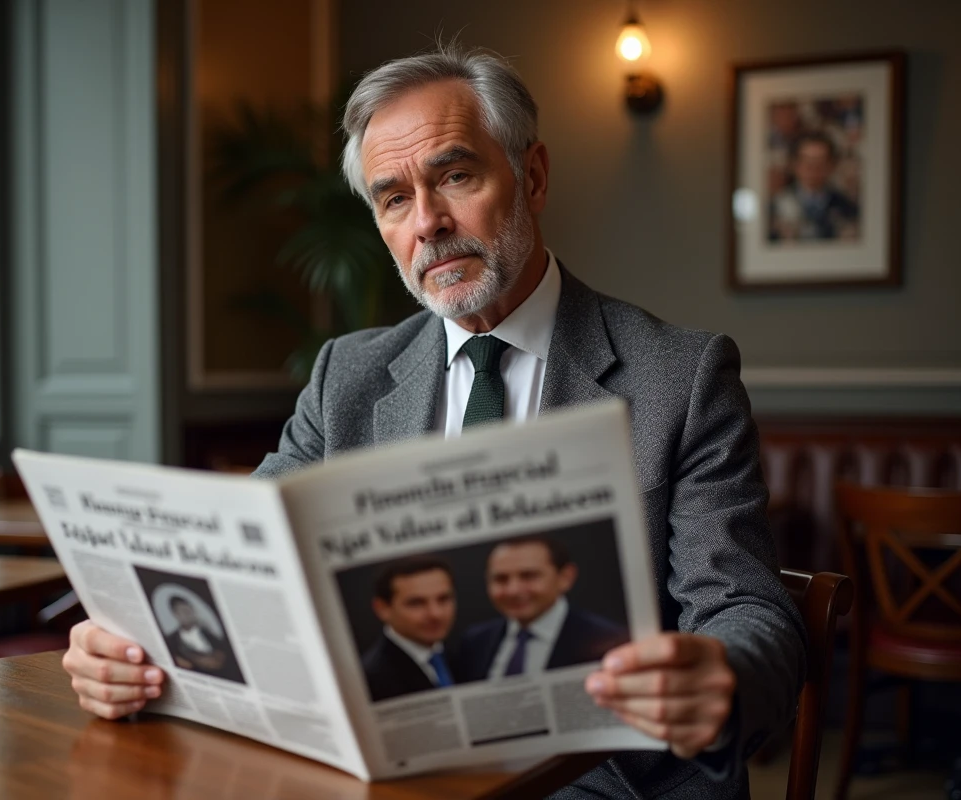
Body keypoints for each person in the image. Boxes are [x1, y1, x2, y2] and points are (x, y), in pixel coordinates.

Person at [61, 44, 805, 799]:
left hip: (602, 774)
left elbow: (745, 608)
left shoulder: (680, 376)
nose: (428, 223)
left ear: (533, 176)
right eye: (393, 198)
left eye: (455, 176)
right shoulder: (345, 378)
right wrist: (126, 643)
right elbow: (234, 561)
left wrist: (720, 677)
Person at [458, 536, 627, 681]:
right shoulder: (474, 643)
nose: (513, 590)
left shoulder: (609, 642)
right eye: (501, 579)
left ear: (565, 578)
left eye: (529, 576)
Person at [361, 557, 458, 702]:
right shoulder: (369, 680)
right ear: (382, 609)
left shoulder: (462, 654)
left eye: (443, 599)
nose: (435, 614)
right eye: (416, 603)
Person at [769, 130, 860, 241]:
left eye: (820, 162)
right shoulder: (775, 206)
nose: (813, 169)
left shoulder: (846, 208)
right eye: (807, 161)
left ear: (831, 165)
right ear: (794, 164)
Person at [163, 596, 242, 683]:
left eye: (188, 610)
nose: (187, 614)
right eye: (182, 611)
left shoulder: (211, 634)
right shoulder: (171, 641)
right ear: (175, 615)